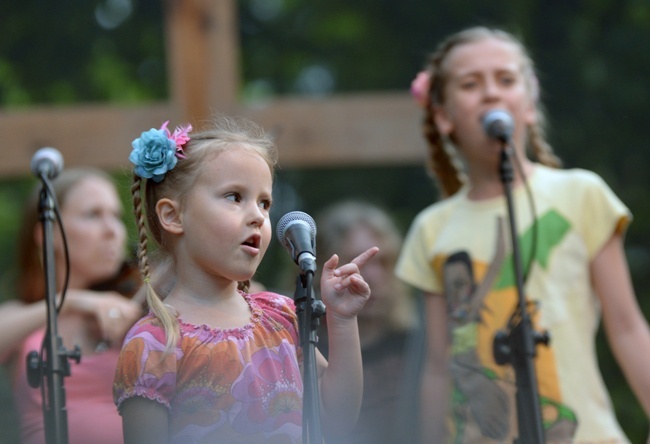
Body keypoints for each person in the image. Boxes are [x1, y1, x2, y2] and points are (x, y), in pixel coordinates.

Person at [396, 26, 650, 443]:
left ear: (529, 105)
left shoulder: (580, 194)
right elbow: (438, 365)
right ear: (443, 115)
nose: (491, 93)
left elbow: (626, 327)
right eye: (471, 84)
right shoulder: (432, 228)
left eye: (506, 80)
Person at [113, 115, 378, 443]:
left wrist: (341, 320)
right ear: (173, 216)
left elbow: (335, 419)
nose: (257, 215)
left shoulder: (282, 317)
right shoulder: (154, 343)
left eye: (264, 203)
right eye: (234, 197)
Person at [0, 167, 143, 444]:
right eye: (93, 215)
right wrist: (71, 302)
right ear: (47, 234)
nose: (112, 230)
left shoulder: (135, 309)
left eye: (115, 216)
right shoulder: (23, 316)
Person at [315, 200, 424, 444]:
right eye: (356, 262)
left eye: (383, 262)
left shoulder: (417, 345)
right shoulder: (304, 347)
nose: (373, 276)